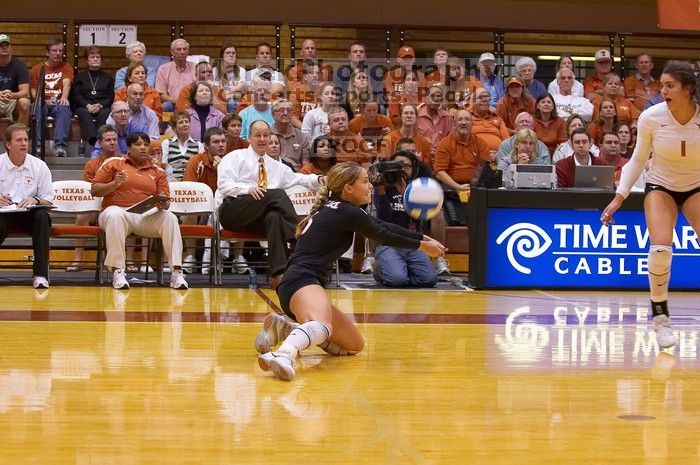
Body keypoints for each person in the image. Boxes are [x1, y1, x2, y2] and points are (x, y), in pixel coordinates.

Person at [255, 161, 446, 381]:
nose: (370, 186)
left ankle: (286, 329)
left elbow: (382, 226)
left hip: (298, 285)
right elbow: (382, 234)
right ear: (348, 188)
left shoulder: (338, 208)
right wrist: (422, 246)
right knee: (323, 327)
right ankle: (284, 354)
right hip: (301, 282)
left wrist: (422, 237)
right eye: (365, 182)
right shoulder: (346, 212)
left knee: (353, 345)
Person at [601, 62, 700, 349]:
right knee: (660, 248)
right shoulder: (650, 117)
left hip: (696, 186)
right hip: (661, 186)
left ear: (688, 89)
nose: (663, 90)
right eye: (661, 85)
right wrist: (619, 197)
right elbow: (637, 160)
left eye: (670, 86)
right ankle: (661, 318)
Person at [216, 120, 323, 290]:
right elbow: (224, 185)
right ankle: (299, 236)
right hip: (233, 211)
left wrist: (318, 179)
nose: (262, 139)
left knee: (274, 216)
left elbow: (299, 178)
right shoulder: (235, 157)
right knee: (277, 194)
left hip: (259, 217)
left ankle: (277, 275)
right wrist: (247, 189)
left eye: (266, 135)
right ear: (249, 137)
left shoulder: (276, 166)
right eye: (258, 135)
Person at [91, 131, 188, 290]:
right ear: (128, 148)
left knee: (170, 217)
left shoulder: (158, 172)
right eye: (138, 144)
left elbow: (165, 199)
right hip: (116, 212)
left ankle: (176, 273)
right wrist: (114, 184)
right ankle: (118, 272)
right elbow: (94, 190)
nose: (143, 148)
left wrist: (163, 204)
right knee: (115, 215)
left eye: (146, 144)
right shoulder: (114, 163)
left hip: (144, 216)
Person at [372, 150, 439, 288]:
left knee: (429, 279)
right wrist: (381, 191)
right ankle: (379, 271)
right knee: (398, 280)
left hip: (413, 244)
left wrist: (406, 196)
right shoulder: (381, 187)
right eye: (397, 165)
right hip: (388, 244)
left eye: (406, 166)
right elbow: (384, 221)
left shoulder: (417, 189)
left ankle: (400, 270)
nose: (402, 169)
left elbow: (418, 218)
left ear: (413, 169)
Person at [0, 123, 53, 289]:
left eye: (26, 139)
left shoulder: (39, 166)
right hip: (4, 213)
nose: (24, 143)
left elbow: (48, 200)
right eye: (19, 140)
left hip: (29, 214)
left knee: (43, 217)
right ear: (8, 144)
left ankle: (40, 275)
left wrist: (35, 200)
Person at [67, 124, 124, 272]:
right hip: (96, 207)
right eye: (108, 140)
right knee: (81, 216)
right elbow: (89, 191)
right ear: (100, 143)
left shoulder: (125, 161)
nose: (112, 143)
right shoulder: (92, 164)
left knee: (125, 213)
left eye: (114, 140)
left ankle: (125, 262)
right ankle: (77, 260)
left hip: (118, 205)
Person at [29, 38, 73, 157]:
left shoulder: (66, 66)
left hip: (58, 101)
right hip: (42, 100)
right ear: (47, 53)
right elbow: (33, 89)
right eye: (54, 50)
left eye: (60, 50)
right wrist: (39, 100)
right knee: (36, 107)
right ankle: (37, 146)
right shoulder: (37, 69)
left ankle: (60, 147)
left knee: (64, 107)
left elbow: (66, 83)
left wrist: (64, 97)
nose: (58, 53)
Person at [71, 46, 114, 147]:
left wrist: (100, 105)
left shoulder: (108, 77)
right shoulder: (80, 76)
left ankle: (101, 138)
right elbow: (76, 95)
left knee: (105, 113)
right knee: (83, 113)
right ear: (86, 60)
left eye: (98, 57)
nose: (95, 59)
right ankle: (94, 140)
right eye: (92, 57)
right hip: (84, 106)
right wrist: (87, 105)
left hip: (102, 106)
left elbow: (110, 96)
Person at [161, 110, 204, 182]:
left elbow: (201, 168)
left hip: (192, 181)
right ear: (174, 128)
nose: (185, 124)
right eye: (181, 122)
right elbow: (164, 166)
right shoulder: (166, 143)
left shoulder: (199, 144)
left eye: (186, 122)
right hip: (172, 181)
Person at [155, 38, 196, 113]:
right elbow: (161, 94)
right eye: (178, 49)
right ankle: (167, 125)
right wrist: (174, 100)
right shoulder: (163, 69)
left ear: (188, 52)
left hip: (191, 104)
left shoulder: (195, 68)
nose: (182, 52)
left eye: (185, 49)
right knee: (166, 106)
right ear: (172, 52)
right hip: (172, 104)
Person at [0, 34, 31, 126]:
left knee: (25, 103)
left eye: (7, 45)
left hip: (13, 100)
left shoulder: (20, 65)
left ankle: (21, 136)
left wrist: (11, 95)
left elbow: (25, 92)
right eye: (1, 46)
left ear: (11, 48)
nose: (4, 47)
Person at [271, 98, 310, 171]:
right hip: (272, 173)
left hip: (295, 174)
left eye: (289, 110)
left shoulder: (301, 136)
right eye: (281, 110)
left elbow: (305, 165)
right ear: (273, 114)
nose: (286, 113)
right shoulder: (267, 134)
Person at [213, 42, 246, 113]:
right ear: (222, 56)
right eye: (227, 52)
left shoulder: (241, 71)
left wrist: (226, 93)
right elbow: (216, 93)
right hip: (218, 103)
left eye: (233, 53)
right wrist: (233, 92)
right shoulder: (214, 71)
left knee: (233, 102)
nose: (231, 55)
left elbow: (241, 92)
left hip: (236, 102)